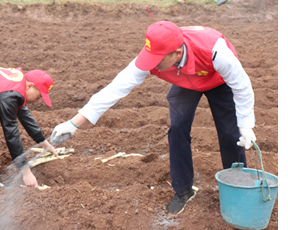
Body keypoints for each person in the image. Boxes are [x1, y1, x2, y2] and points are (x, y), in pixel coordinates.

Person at [50, 21, 255, 215]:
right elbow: (115, 88)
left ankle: (238, 187)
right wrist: (73, 123)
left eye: (157, 60)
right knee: (177, 129)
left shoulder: (216, 52)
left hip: (217, 80)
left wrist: (246, 126)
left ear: (177, 53)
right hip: (185, 82)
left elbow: (242, 86)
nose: (151, 65)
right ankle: (183, 190)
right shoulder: (152, 55)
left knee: (231, 132)